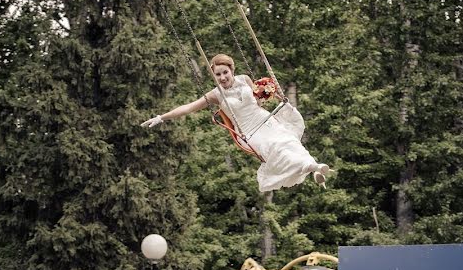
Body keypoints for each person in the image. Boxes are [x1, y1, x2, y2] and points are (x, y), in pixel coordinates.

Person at [141, 53, 331, 191]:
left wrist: (271, 93)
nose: (223, 77)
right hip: (249, 132)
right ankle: (311, 167)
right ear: (214, 77)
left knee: (288, 140)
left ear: (232, 70)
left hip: (264, 119)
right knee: (275, 147)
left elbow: (259, 100)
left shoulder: (245, 80)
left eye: (225, 72)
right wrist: (161, 117)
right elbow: (188, 107)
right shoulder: (216, 94)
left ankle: (314, 169)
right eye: (218, 75)